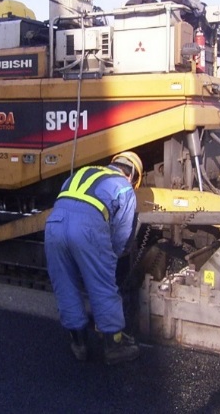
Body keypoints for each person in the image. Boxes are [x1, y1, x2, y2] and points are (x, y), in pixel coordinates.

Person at [44, 151, 143, 365]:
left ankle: (79, 343)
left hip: (54, 225)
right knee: (102, 286)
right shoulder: (124, 187)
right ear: (133, 176)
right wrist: (113, 257)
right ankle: (114, 346)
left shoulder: (82, 172)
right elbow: (123, 234)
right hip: (87, 229)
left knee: (65, 284)